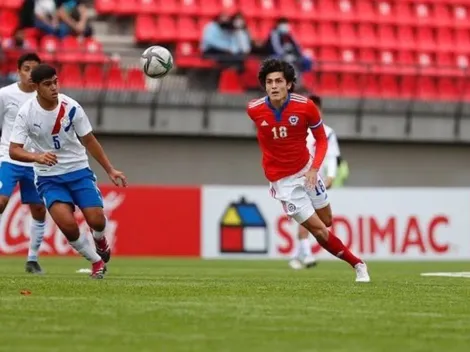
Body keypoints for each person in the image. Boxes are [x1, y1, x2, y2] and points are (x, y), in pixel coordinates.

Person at [246, 59, 370, 282]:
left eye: (278, 81)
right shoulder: (254, 109)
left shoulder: (305, 107)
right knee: (320, 231)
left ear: (289, 84)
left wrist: (314, 170)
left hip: (307, 171)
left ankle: (305, 251)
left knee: (328, 220)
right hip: (283, 183)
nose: (273, 86)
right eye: (269, 82)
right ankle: (358, 265)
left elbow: (322, 140)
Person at [9, 64, 127, 279]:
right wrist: (36, 156)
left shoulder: (71, 107)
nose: (54, 87)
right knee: (68, 225)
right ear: (36, 87)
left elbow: (89, 140)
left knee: (97, 221)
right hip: (48, 177)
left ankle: (99, 239)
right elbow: (14, 150)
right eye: (47, 84)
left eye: (56, 82)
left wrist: (110, 169)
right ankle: (96, 262)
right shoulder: (26, 113)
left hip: (78, 170)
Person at [0, 53, 47, 274]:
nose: (30, 74)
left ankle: (32, 258)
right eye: (26, 68)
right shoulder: (5, 94)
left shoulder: (45, 96)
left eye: (34, 70)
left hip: (35, 161)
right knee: (1, 202)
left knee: (39, 208)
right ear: (18, 70)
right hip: (8, 157)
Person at [289, 94, 342, 270]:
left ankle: (299, 254)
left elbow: (332, 156)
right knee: (307, 215)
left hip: (318, 180)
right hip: (300, 179)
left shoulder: (327, 132)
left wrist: (331, 176)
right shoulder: (298, 129)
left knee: (316, 218)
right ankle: (306, 255)